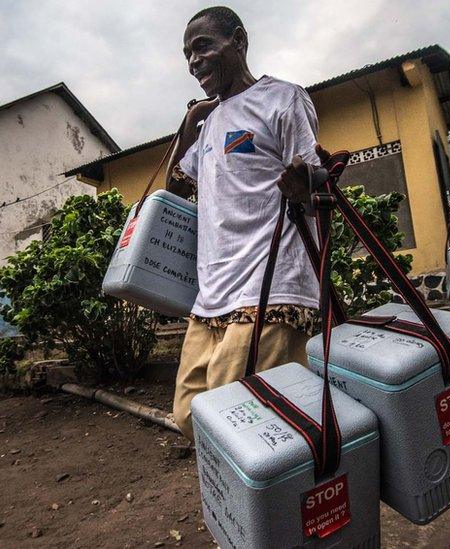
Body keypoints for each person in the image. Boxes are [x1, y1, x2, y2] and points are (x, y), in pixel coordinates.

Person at [167, 6, 320, 439]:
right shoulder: (211, 121)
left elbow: (313, 185)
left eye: (202, 47)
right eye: (187, 55)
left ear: (237, 41)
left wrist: (302, 185)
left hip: (270, 286)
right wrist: (188, 124)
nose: (193, 62)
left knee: (242, 424)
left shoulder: (283, 98)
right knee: (189, 416)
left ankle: (294, 500)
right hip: (213, 295)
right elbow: (175, 190)